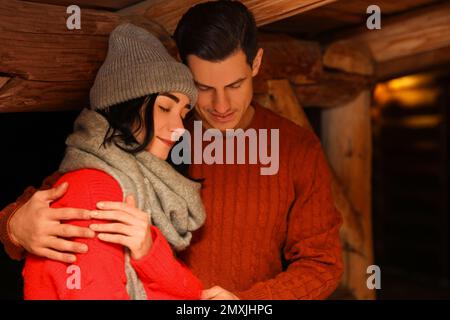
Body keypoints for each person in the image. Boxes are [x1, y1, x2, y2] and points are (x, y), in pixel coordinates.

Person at [1, 1, 343, 300]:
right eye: (203, 87)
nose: (221, 105)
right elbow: (77, 184)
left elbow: (322, 264)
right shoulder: (159, 133)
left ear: (255, 64)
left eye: (235, 85)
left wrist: (247, 302)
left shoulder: (296, 148)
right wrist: (15, 225)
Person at [21, 23, 205, 299]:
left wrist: (148, 253)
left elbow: (194, 294)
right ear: (125, 105)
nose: (179, 127)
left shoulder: (138, 184)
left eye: (183, 113)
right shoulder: (94, 192)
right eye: (165, 107)